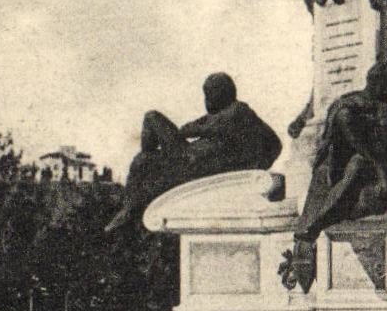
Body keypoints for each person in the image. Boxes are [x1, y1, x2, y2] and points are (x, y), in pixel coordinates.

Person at [280, 63, 387, 291]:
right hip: (340, 165)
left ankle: (308, 231)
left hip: (358, 166)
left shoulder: (378, 108)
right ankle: (307, 235)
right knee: (336, 174)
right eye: (386, 84)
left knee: (354, 169)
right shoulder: (348, 107)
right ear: (376, 83)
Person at [105, 73, 281, 234]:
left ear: (222, 93)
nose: (207, 100)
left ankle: (129, 209)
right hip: (191, 157)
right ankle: (129, 208)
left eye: (209, 94)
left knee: (152, 118)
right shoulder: (219, 114)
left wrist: (247, 164)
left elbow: (274, 143)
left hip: (192, 162)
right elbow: (188, 129)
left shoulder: (238, 111)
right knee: (142, 159)